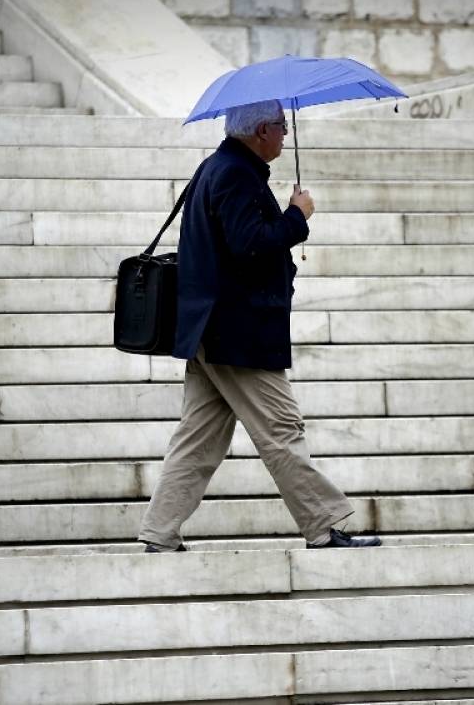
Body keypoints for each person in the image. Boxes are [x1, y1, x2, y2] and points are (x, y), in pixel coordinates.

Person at [137, 99, 381, 553]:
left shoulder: (219, 166)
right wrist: (296, 216)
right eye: (282, 128)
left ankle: (159, 531)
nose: (286, 136)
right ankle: (324, 527)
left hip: (214, 331)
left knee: (198, 438)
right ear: (261, 131)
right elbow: (250, 244)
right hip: (237, 334)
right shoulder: (233, 173)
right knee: (282, 429)